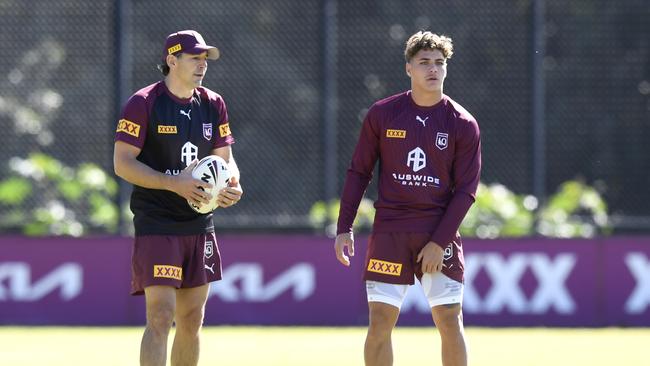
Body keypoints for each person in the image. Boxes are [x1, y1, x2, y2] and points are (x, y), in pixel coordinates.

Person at [334, 31, 481, 366]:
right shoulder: (383, 114)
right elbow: (359, 172)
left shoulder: (462, 123)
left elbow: (466, 191)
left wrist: (440, 242)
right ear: (408, 68)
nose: (433, 69)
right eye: (424, 62)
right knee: (380, 323)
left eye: (439, 63)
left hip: (437, 232)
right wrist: (345, 227)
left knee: (449, 320)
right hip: (391, 232)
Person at [113, 30, 243, 366]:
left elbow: (224, 158)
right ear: (172, 60)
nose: (202, 65)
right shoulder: (144, 102)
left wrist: (232, 184)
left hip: (199, 222)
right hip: (157, 221)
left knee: (191, 319)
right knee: (160, 315)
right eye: (194, 58)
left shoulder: (213, 103)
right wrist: (175, 184)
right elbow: (122, 163)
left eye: (205, 59)